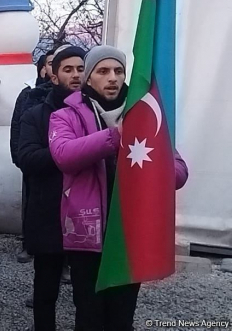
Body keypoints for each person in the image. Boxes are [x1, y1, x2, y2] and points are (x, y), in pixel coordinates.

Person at [49, 46, 189, 330]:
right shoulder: (66, 115)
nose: (112, 77)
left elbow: (179, 171)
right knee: (89, 314)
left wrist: (154, 170)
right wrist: (115, 136)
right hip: (87, 234)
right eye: (102, 71)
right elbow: (63, 154)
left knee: (122, 315)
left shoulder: (146, 116)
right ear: (88, 78)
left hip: (129, 234)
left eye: (118, 71)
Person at [18, 46, 86, 331]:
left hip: (87, 213)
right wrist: (69, 152)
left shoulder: (95, 112)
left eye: (81, 69)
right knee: (46, 289)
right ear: (53, 75)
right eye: (68, 69)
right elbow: (26, 158)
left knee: (86, 293)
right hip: (48, 211)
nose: (75, 75)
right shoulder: (35, 114)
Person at [11, 49, 55, 264]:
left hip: (60, 160)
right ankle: (29, 244)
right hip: (33, 157)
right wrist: (18, 156)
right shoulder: (29, 93)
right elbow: (17, 126)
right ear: (43, 67)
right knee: (31, 203)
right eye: (50, 62)